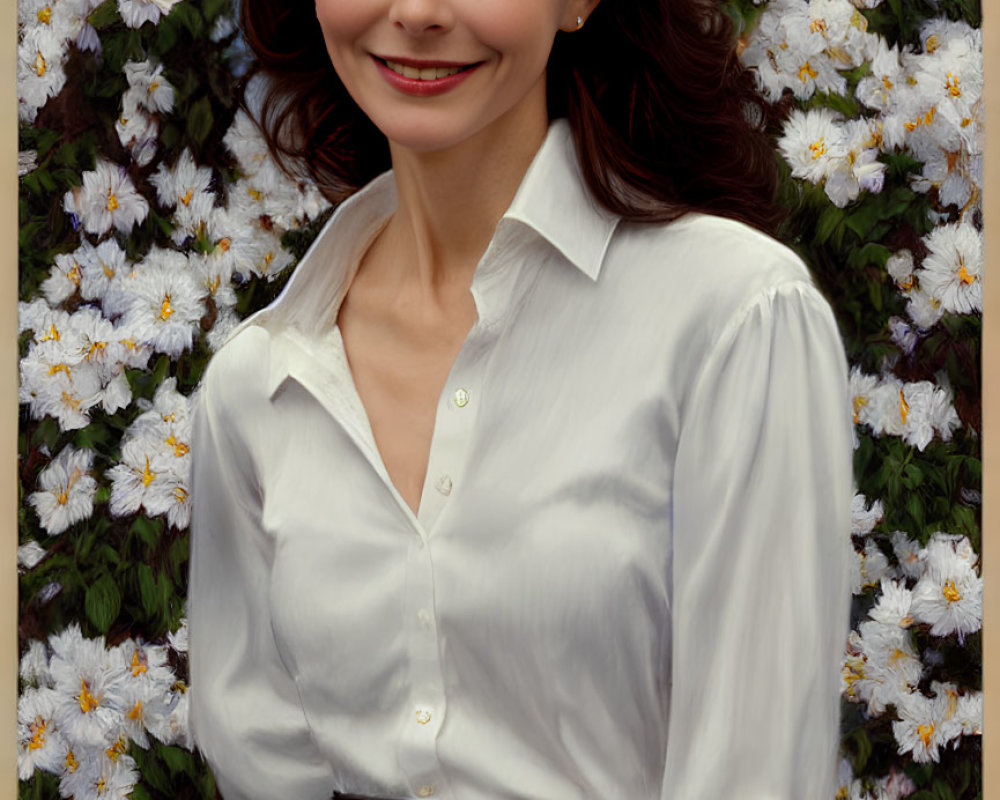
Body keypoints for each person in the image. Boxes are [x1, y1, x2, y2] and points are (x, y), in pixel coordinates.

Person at [188, 0, 853, 798]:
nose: (419, 13)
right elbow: (266, 766)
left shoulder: (733, 320)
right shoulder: (256, 388)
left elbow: (757, 777)